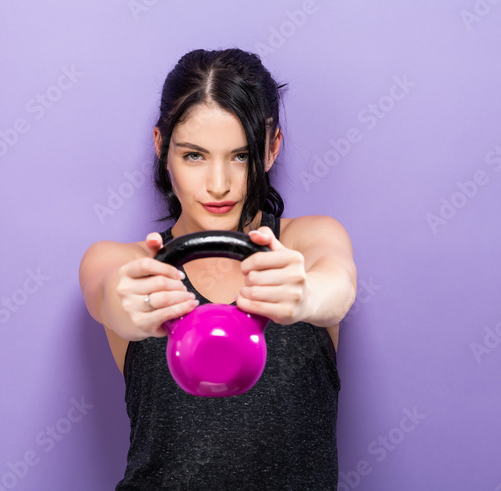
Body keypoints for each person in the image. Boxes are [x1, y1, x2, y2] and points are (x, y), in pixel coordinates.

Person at [78, 48, 357, 490]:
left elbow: (337, 285)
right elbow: (108, 293)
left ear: (271, 148)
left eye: (241, 155)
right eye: (194, 156)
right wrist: (126, 304)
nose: (219, 184)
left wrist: (305, 296)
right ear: (161, 147)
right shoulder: (129, 263)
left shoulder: (305, 242)